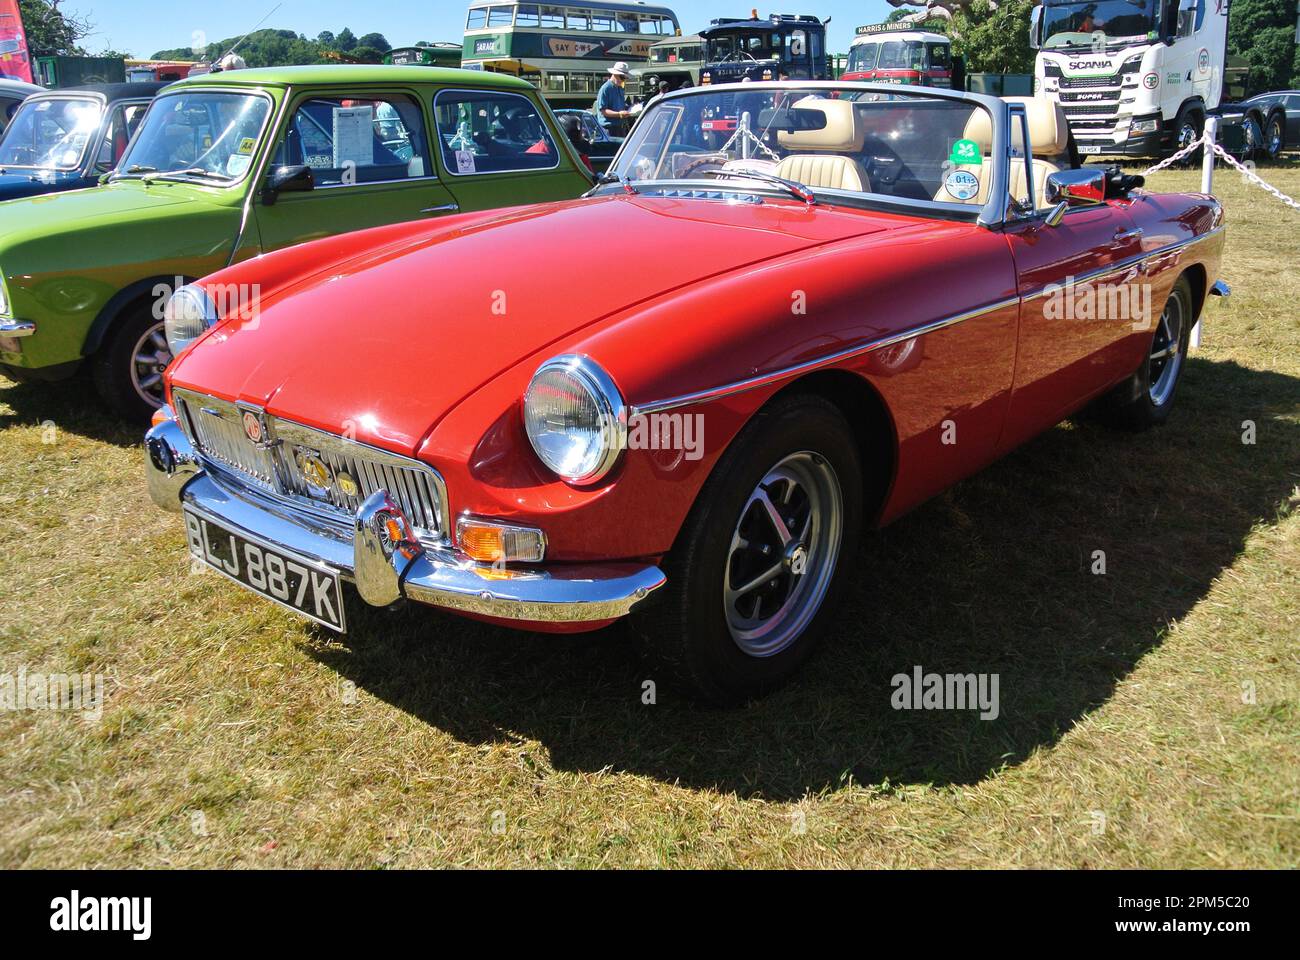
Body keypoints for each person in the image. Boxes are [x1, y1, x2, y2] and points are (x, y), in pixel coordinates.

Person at [596, 62, 633, 137]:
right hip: (608, 129)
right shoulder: (606, 88)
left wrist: (630, 108)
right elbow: (603, 111)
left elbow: (619, 106)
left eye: (625, 78)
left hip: (620, 127)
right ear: (615, 74)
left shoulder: (620, 88)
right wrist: (619, 114)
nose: (623, 80)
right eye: (622, 78)